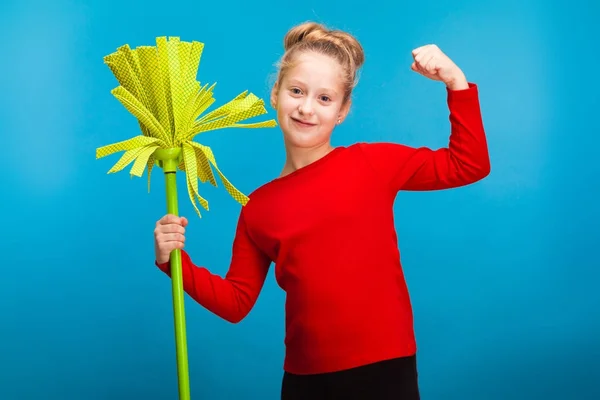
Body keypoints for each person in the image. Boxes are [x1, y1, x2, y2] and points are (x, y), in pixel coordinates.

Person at [153, 21, 490, 399]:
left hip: (384, 371)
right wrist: (174, 262)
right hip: (305, 381)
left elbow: (469, 164)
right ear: (276, 93)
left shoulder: (371, 163)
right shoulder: (257, 208)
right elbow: (235, 302)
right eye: (296, 91)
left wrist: (455, 82)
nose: (306, 108)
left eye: (325, 98)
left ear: (343, 110)